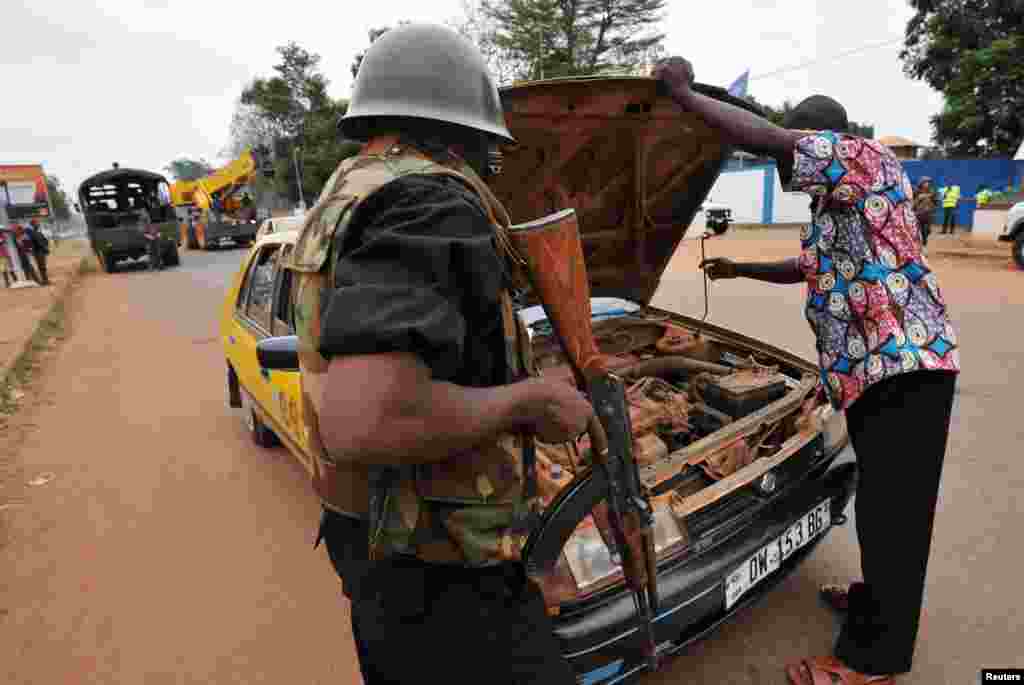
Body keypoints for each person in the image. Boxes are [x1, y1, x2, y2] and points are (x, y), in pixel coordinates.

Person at [284, 23, 593, 685]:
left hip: (370, 543)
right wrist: (531, 399)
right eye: (488, 152)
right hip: (444, 571)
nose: (487, 169)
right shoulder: (426, 201)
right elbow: (367, 419)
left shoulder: (346, 190)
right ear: (464, 135)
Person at [654, 57, 960, 685]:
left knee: (898, 515)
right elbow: (808, 267)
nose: (784, 167)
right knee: (883, 507)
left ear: (825, 141)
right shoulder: (840, 202)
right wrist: (740, 270)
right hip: (875, 375)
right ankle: (877, 604)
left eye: (793, 151)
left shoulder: (863, 157)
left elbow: (767, 136)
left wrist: (681, 94)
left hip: (905, 369)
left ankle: (874, 661)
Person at [912, 178, 938, 248]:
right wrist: (916, 204)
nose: (927, 184)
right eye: (925, 182)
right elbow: (913, 201)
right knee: (920, 229)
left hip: (928, 213)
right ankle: (922, 244)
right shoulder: (916, 191)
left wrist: (933, 208)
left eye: (928, 182)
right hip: (919, 213)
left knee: (927, 230)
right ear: (921, 183)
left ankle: (924, 240)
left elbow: (936, 202)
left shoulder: (932, 192)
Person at [25, 218, 51, 285]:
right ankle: (44, 280)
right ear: (33, 224)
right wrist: (45, 248)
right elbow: (39, 242)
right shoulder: (32, 233)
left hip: (41, 251)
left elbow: (45, 240)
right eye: (37, 223)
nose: (38, 224)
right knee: (41, 267)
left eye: (38, 223)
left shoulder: (38, 232)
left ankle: (45, 280)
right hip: (38, 252)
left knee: (43, 267)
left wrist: (46, 246)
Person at [140, 205, 163, 271]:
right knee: (151, 253)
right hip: (149, 241)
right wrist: (150, 237)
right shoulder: (144, 225)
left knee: (157, 252)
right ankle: (152, 266)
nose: (146, 217)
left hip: (155, 240)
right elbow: (144, 233)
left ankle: (159, 265)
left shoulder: (153, 223)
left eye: (147, 216)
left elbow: (159, 230)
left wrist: (158, 235)